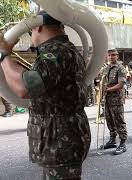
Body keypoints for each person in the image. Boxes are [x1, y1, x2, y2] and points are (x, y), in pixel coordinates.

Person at [0, 11, 91, 179]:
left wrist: (4, 54)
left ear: (38, 27)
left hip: (60, 143)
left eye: (30, 31)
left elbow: (24, 88)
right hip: (60, 142)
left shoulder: (57, 52)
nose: (32, 36)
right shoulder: (62, 51)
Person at [101, 49, 128, 155]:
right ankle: (112, 140)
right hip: (107, 99)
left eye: (113, 55)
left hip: (116, 99)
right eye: (109, 55)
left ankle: (123, 143)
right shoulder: (106, 68)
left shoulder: (120, 68)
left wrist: (107, 89)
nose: (111, 57)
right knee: (109, 120)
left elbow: (121, 84)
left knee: (119, 121)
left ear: (117, 56)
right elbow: (103, 81)